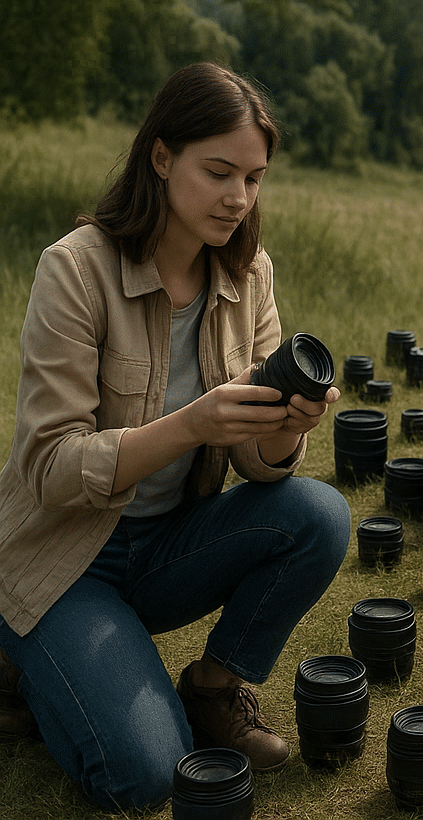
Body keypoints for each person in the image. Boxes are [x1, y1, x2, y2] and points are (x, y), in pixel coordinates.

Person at [0, 63, 352, 809]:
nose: (238, 198)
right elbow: (49, 467)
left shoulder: (249, 272)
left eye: (254, 178)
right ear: (161, 158)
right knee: (147, 776)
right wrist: (190, 423)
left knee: (318, 514)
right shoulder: (74, 270)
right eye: (218, 171)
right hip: (66, 557)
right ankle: (28, 663)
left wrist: (287, 432)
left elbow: (259, 470)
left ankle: (213, 689)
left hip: (169, 545)